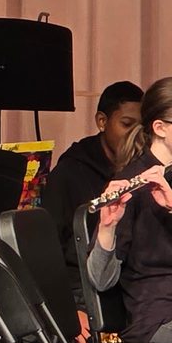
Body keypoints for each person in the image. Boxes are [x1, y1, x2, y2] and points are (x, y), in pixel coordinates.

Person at [87, 77, 172, 343]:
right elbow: (101, 281)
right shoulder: (133, 183)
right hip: (158, 315)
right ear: (160, 128)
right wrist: (107, 228)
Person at [42, 81, 143, 307]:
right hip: (81, 292)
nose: (135, 135)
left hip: (127, 288)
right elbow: (48, 253)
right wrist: (65, 311)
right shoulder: (69, 172)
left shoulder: (141, 170)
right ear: (102, 121)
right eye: (127, 124)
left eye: (141, 128)